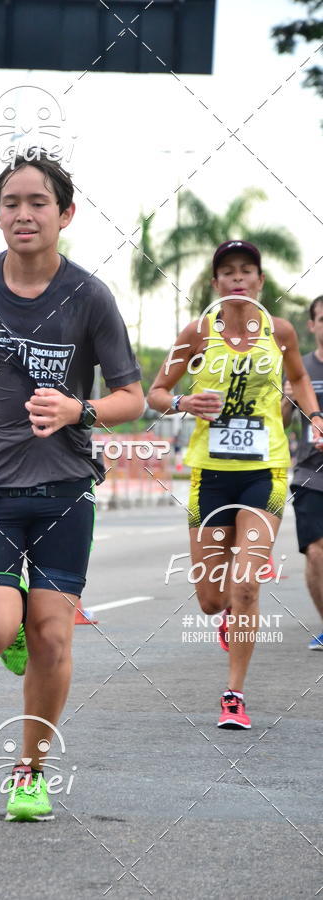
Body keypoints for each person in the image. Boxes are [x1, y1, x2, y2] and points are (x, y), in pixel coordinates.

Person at [0, 150, 144, 820]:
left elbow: (132, 396)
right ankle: (5, 625)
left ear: (65, 214)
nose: (24, 214)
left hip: (65, 487)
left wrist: (82, 409)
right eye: (11, 202)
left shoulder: (89, 296)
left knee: (53, 637)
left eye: (38, 202)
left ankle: (29, 771)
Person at [148, 240, 323, 729]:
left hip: (265, 472)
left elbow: (300, 380)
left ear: (261, 282)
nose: (238, 279)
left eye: (247, 271)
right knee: (211, 599)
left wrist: (315, 416)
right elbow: (155, 393)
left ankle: (233, 695)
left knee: (246, 583)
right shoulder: (198, 333)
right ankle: (225, 615)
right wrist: (184, 404)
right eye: (228, 273)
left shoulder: (280, 331)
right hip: (210, 476)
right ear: (215, 284)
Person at [282, 295, 323, 650]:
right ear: (312, 325)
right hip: (311, 474)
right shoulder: (300, 368)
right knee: (315, 551)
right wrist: (285, 398)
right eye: (322, 319)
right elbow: (278, 424)